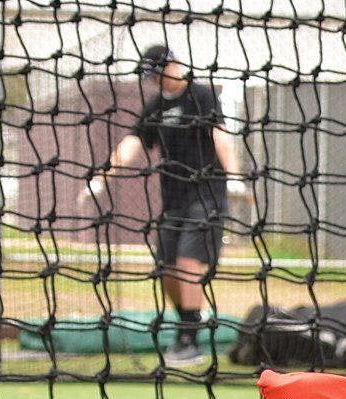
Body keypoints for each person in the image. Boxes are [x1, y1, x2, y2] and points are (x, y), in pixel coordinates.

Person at [78, 44, 251, 365]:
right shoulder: (156, 106)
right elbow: (132, 143)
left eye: (159, 72)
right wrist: (102, 179)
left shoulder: (202, 96)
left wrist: (235, 177)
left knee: (188, 261)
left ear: (173, 65)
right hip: (174, 201)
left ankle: (191, 338)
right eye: (151, 76)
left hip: (207, 196)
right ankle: (187, 323)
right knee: (165, 266)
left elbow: (220, 134)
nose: (157, 80)